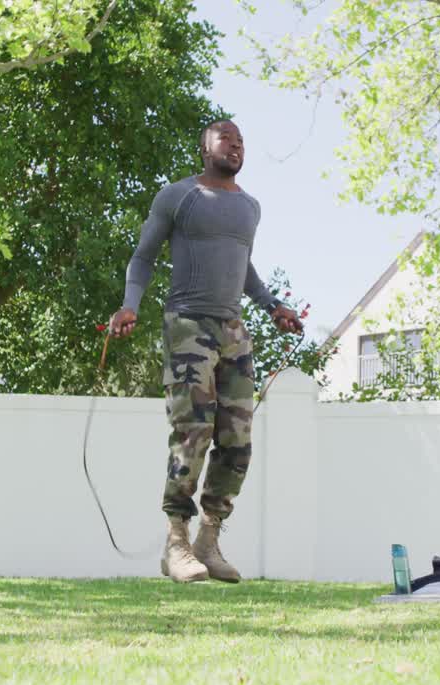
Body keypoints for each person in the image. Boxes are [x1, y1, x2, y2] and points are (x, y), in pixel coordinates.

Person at [108, 119, 302, 583]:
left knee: (237, 441)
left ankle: (208, 541)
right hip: (187, 324)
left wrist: (272, 305)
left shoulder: (250, 207)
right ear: (204, 147)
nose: (236, 145)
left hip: (233, 330)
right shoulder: (178, 196)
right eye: (226, 138)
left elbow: (243, 266)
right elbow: (143, 256)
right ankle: (176, 541)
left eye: (241, 141)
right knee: (192, 431)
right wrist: (130, 305)